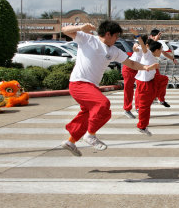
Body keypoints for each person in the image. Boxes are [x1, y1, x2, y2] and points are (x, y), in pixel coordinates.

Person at [60, 21, 158, 157]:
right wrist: (80, 28)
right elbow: (64, 29)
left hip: (91, 87)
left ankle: (71, 141)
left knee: (97, 114)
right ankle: (90, 135)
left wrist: (145, 67)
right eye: (116, 36)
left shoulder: (114, 51)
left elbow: (131, 63)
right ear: (108, 34)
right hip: (79, 83)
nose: (117, 39)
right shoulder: (88, 39)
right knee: (103, 104)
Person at [134, 34, 163, 136]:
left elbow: (148, 44)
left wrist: (156, 38)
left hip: (149, 82)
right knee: (145, 107)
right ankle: (141, 126)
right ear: (156, 50)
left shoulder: (152, 55)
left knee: (163, 79)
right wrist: (138, 37)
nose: (161, 52)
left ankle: (156, 97)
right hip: (144, 83)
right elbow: (143, 46)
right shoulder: (148, 54)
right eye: (160, 50)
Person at [122, 34, 148, 119]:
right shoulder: (138, 46)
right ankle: (127, 109)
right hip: (129, 68)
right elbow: (135, 48)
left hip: (137, 68)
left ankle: (138, 107)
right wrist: (135, 47)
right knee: (128, 89)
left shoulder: (146, 48)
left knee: (139, 88)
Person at [148, 29, 174, 107]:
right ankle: (140, 105)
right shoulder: (147, 43)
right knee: (146, 86)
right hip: (146, 67)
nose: (159, 38)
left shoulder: (157, 44)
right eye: (158, 36)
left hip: (154, 66)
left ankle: (161, 99)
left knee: (162, 81)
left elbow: (164, 53)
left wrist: (172, 59)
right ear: (151, 36)